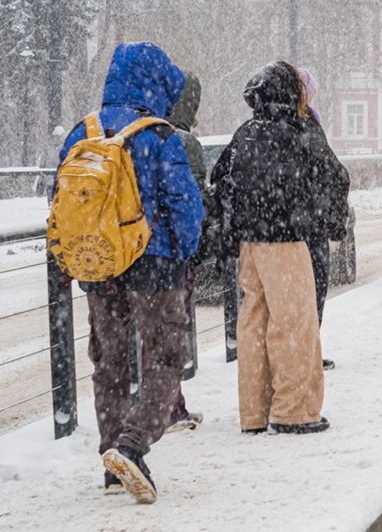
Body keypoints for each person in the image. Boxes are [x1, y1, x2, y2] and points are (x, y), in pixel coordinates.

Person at [56, 42, 204, 503]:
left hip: (98, 262)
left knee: (111, 362)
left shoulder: (84, 130)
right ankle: (132, 446)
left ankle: (110, 457)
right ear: (157, 83)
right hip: (154, 264)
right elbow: (186, 207)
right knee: (165, 355)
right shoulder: (158, 135)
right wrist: (187, 251)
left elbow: (61, 201)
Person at [206, 61, 348, 435]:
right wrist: (331, 223)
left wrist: (232, 230)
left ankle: (253, 412)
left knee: (253, 324)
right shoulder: (300, 132)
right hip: (287, 242)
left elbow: (220, 181)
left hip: (250, 244)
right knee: (295, 325)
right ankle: (293, 410)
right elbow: (336, 177)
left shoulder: (245, 133)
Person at [294, 66, 349, 371]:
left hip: (283, 226)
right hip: (310, 225)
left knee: (290, 296)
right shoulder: (307, 125)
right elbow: (336, 175)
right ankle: (306, 352)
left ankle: (298, 352)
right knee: (312, 289)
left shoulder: (265, 125)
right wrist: (333, 220)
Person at [161, 71, 206, 434]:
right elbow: (195, 203)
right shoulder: (184, 143)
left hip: (136, 252)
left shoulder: (141, 131)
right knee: (170, 334)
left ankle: (147, 405)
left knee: (147, 335)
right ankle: (169, 408)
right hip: (172, 254)